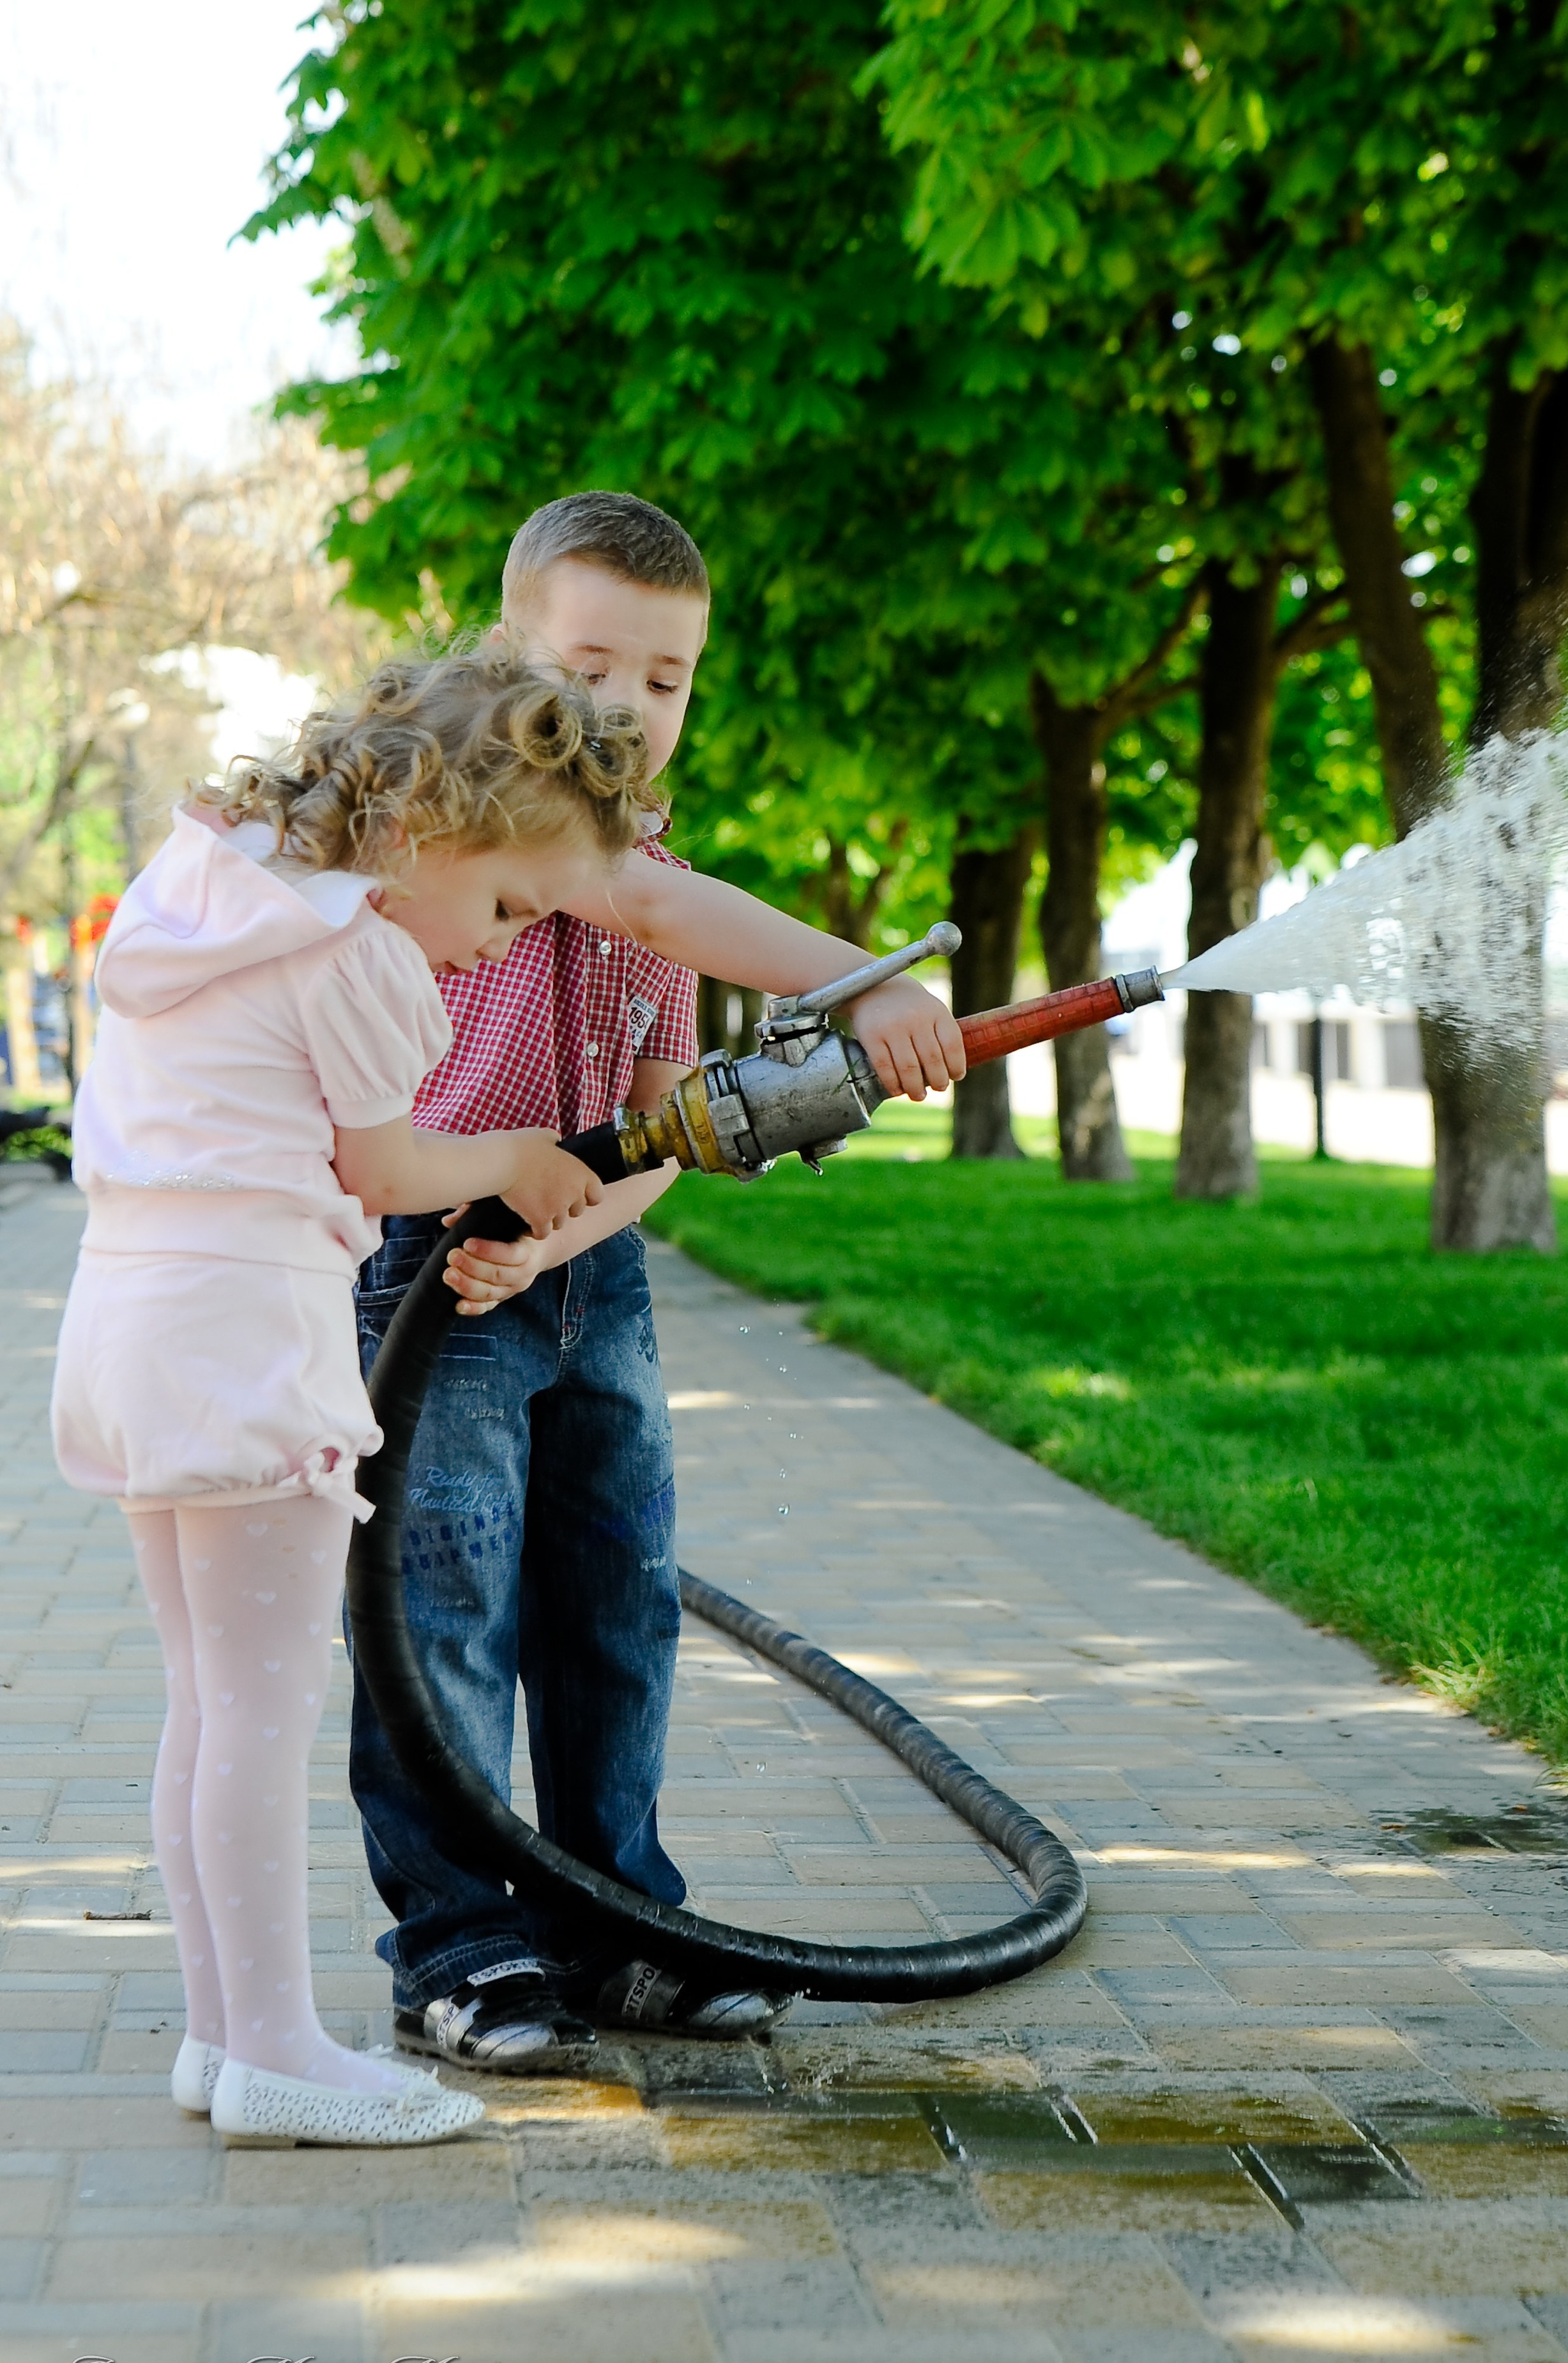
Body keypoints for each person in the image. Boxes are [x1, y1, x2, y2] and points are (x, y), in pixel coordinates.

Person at [350, 492, 966, 2072]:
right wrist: (868, 973)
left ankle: (624, 1932)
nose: (628, 705)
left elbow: (661, 1111)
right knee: (446, 1618)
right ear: (510, 659)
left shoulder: (652, 866)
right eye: (593, 665)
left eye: (666, 677)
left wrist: (562, 1236)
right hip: (435, 1278)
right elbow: (638, 903)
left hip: (580, 1274)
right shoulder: (463, 836)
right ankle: (461, 1948)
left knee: (617, 1607)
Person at [49, 645, 656, 2147]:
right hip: (251, 1330)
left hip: (131, 1318)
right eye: (509, 905)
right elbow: (383, 1170)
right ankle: (277, 2049)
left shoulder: (211, 883)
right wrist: (518, 1153)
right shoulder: (361, 953)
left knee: (202, 1705)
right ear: (423, 832)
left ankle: (217, 2036)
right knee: (260, 1713)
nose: (500, 945)